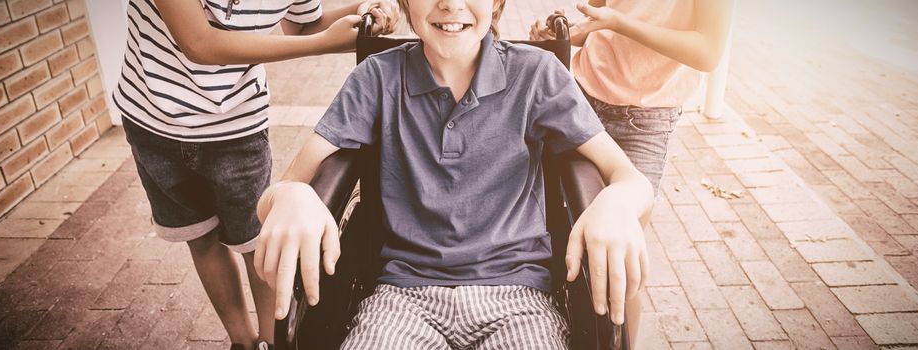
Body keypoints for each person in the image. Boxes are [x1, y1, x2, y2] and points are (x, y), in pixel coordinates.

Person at [253, 0, 655, 348]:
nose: (450, 3)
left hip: (517, 296)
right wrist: (293, 197)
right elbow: (282, 188)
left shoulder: (536, 74)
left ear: (496, 3)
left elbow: (629, 177)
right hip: (401, 296)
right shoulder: (376, 78)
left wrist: (615, 203)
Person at [113, 0, 398, 348]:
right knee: (200, 238)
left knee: (258, 243)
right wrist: (324, 44)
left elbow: (305, 24)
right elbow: (198, 42)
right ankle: (242, 341)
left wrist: (368, 8)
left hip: (237, 126)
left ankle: (271, 342)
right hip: (153, 122)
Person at [529, 0, 735, 191]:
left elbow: (708, 53)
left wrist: (618, 23)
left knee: (620, 223)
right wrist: (560, 33)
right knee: (559, 204)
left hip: (646, 119)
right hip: (584, 98)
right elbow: (597, 21)